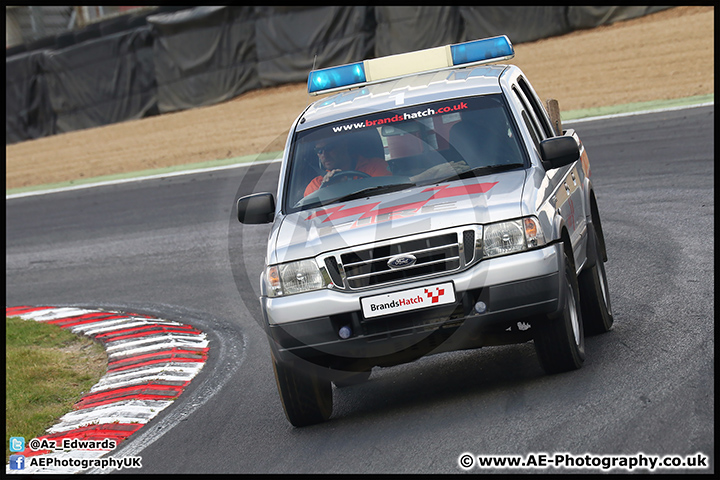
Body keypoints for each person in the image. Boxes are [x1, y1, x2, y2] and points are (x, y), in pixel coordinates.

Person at [304, 135, 391, 197]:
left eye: (329, 148)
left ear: (343, 144)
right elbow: (314, 219)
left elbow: (386, 197)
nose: (324, 155)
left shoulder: (375, 166)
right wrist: (330, 190)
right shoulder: (316, 186)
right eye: (319, 150)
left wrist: (344, 187)